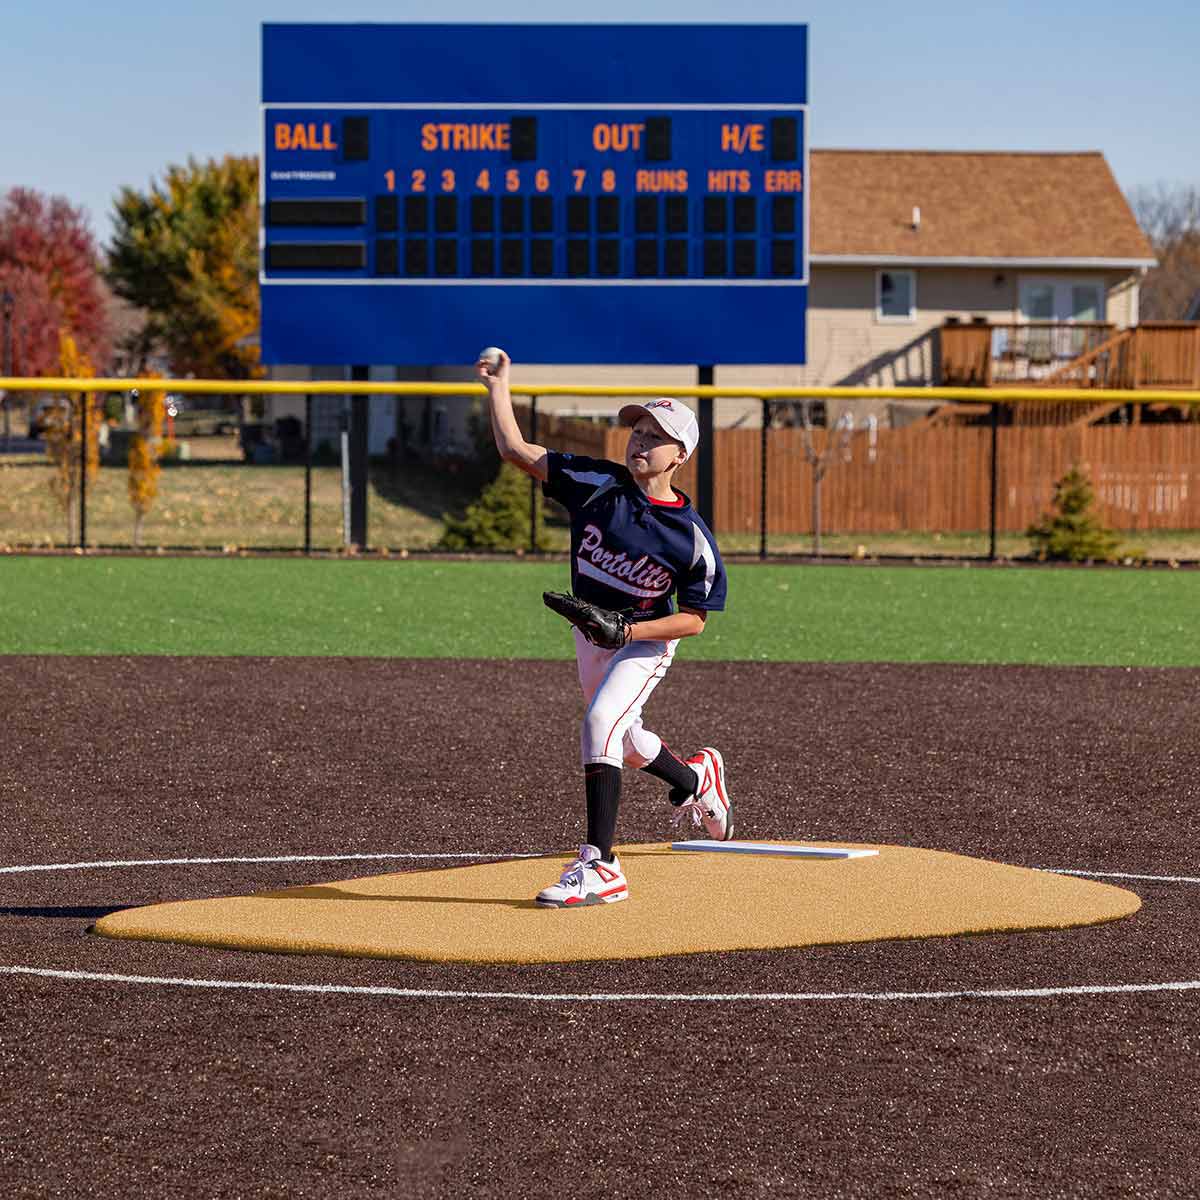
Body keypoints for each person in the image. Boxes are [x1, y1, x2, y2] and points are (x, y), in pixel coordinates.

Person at [476, 349, 731, 908]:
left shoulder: (690, 537)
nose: (640, 440)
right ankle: (694, 780)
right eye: (637, 428)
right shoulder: (597, 483)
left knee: (599, 722)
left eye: (655, 434)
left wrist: (628, 633)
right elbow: (515, 450)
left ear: (680, 454)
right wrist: (500, 386)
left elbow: (694, 619)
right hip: (592, 633)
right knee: (626, 739)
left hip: (646, 640)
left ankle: (602, 864)